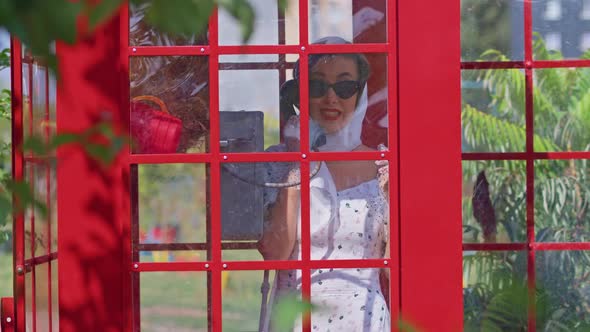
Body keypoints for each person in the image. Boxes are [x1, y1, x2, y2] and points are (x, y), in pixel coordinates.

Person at [258, 36, 390, 331]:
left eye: (344, 87)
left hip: (363, 320)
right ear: (298, 94)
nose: (331, 99)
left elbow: (399, 271)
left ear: (360, 93)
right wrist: (297, 163)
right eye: (318, 86)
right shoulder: (278, 162)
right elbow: (275, 254)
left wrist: (392, 199)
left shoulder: (384, 165)